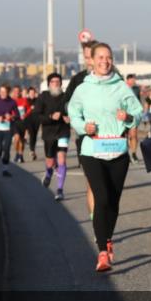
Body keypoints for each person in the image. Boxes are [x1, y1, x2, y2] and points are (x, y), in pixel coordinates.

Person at [68, 44, 143, 272]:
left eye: (108, 57)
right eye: (100, 57)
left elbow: (138, 113)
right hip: (92, 149)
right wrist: (84, 127)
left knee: (113, 200)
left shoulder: (121, 86)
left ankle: (107, 237)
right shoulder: (83, 88)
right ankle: (102, 252)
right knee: (101, 198)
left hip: (117, 149)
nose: (105, 61)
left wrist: (128, 117)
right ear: (91, 60)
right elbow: (73, 114)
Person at [65, 37, 98, 220]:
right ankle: (96, 222)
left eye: (91, 56)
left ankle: (104, 217)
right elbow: (67, 103)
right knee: (92, 182)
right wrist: (73, 116)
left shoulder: (116, 78)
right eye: (86, 57)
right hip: (86, 137)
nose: (89, 61)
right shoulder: (78, 79)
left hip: (111, 139)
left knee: (108, 187)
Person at [35, 73, 71, 201]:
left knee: (61, 159)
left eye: (58, 81)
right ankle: (49, 173)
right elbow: (37, 115)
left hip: (63, 131)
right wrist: (50, 117)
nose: (55, 83)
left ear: (61, 84)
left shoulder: (66, 97)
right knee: (50, 161)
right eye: (53, 82)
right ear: (49, 84)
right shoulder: (43, 96)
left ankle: (60, 190)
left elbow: (73, 111)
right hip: (49, 133)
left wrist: (69, 118)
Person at [0, 84, 20, 177]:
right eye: (1, 91)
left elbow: (17, 115)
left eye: (4, 92)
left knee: (6, 149)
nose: (2, 93)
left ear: (8, 92)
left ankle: (5, 170)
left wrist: (11, 116)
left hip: (8, 128)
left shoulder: (12, 102)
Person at [125, 74, 142, 162]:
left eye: (134, 80)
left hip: (134, 114)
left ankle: (134, 153)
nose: (134, 81)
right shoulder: (122, 88)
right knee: (125, 136)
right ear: (127, 80)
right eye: (132, 80)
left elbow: (139, 101)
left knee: (134, 134)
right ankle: (126, 153)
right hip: (124, 114)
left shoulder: (136, 89)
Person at [11, 86, 29, 163]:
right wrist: (12, 115)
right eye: (15, 91)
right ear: (13, 92)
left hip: (23, 122)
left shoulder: (24, 100)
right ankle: (17, 153)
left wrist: (25, 115)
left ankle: (20, 155)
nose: (16, 93)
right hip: (15, 122)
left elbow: (29, 109)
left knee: (22, 140)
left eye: (18, 91)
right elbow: (8, 110)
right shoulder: (11, 101)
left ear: (20, 92)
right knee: (17, 138)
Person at [25, 86, 41, 161]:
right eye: (31, 93)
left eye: (33, 93)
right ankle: (31, 150)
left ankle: (33, 149)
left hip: (37, 120)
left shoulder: (38, 100)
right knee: (31, 134)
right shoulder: (26, 100)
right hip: (28, 120)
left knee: (34, 135)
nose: (32, 94)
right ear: (28, 93)